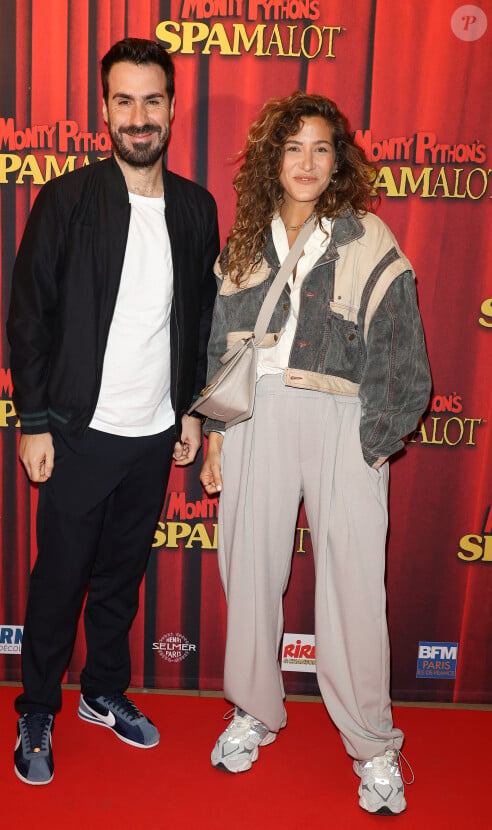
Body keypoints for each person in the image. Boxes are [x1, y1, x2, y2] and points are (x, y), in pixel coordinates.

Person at [200, 91, 431, 815]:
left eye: (321, 147)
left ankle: (373, 744)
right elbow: (219, 349)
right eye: (293, 147)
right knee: (249, 568)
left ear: (339, 161)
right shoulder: (243, 241)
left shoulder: (369, 237)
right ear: (275, 157)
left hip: (342, 418)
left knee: (355, 588)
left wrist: (374, 440)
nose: (306, 161)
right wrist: (215, 435)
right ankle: (254, 711)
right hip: (255, 422)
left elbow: (403, 349)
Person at [7, 37, 219, 786]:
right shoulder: (66, 198)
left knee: (121, 578)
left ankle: (102, 692)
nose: (139, 116)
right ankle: (37, 706)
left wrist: (192, 411)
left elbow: (199, 319)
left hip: (154, 433)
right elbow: (29, 316)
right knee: (59, 576)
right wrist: (33, 420)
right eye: (124, 101)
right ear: (104, 110)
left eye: (152, 100)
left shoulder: (196, 206)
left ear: (171, 108)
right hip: (75, 431)